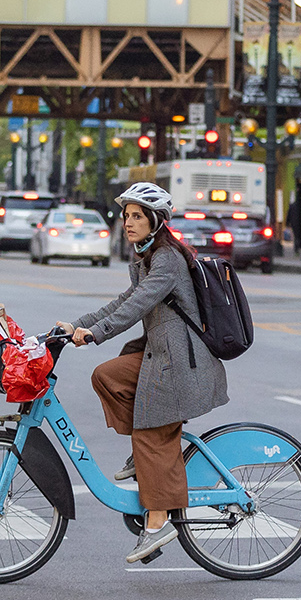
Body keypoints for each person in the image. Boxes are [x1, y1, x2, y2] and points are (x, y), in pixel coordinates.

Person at [53, 182, 227, 564]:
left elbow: (136, 307)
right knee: (108, 376)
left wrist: (95, 333)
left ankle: (158, 522)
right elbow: (123, 301)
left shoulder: (167, 261)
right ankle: (145, 455)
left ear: (156, 221)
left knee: (152, 431)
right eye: (126, 216)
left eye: (136, 216)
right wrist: (76, 325)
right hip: (160, 356)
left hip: (180, 365)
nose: (128, 223)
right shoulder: (148, 258)